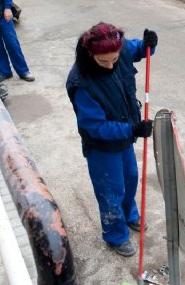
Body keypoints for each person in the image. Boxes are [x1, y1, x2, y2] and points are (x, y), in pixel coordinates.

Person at [65, 23, 158, 257]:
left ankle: (130, 215)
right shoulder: (81, 82)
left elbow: (137, 49)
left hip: (125, 137)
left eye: (114, 60)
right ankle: (115, 235)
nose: (110, 65)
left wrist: (149, 44)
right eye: (103, 61)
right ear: (90, 54)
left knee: (130, 178)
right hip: (102, 147)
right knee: (110, 190)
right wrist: (132, 130)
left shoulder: (120, 51)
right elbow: (96, 127)